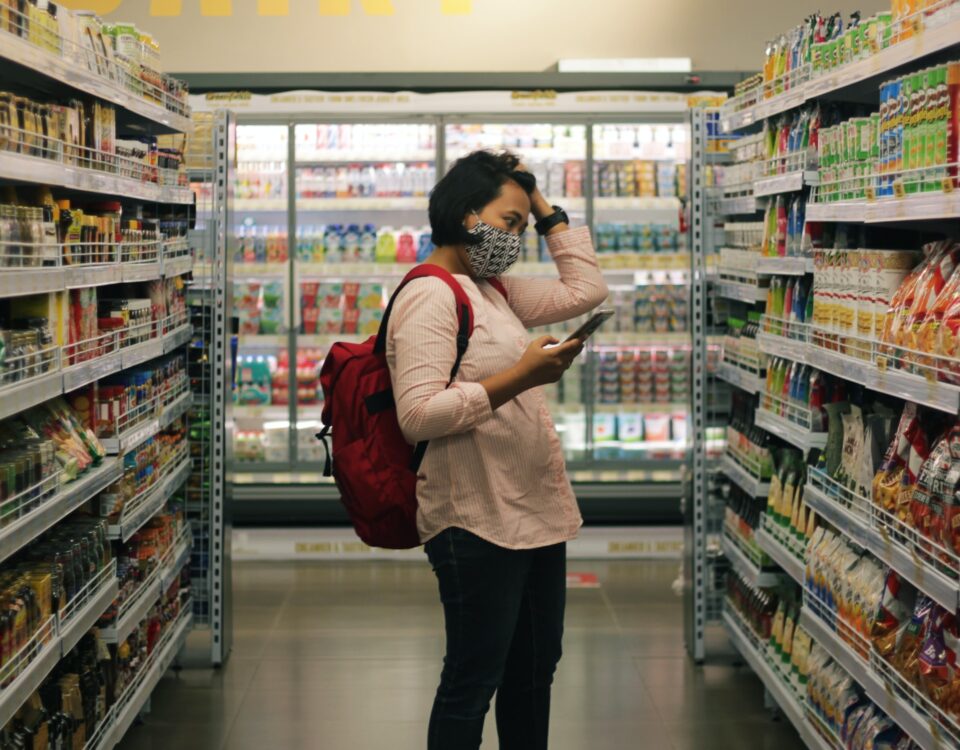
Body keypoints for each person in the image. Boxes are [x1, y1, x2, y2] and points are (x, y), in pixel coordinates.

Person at [385, 150, 608, 750]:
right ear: (464, 216)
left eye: (519, 225)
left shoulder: (494, 289)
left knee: (533, 673)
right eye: (508, 224)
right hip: (475, 518)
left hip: (532, 513)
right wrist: (523, 378)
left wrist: (541, 207)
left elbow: (587, 288)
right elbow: (418, 416)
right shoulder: (430, 296)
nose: (516, 238)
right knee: (473, 678)